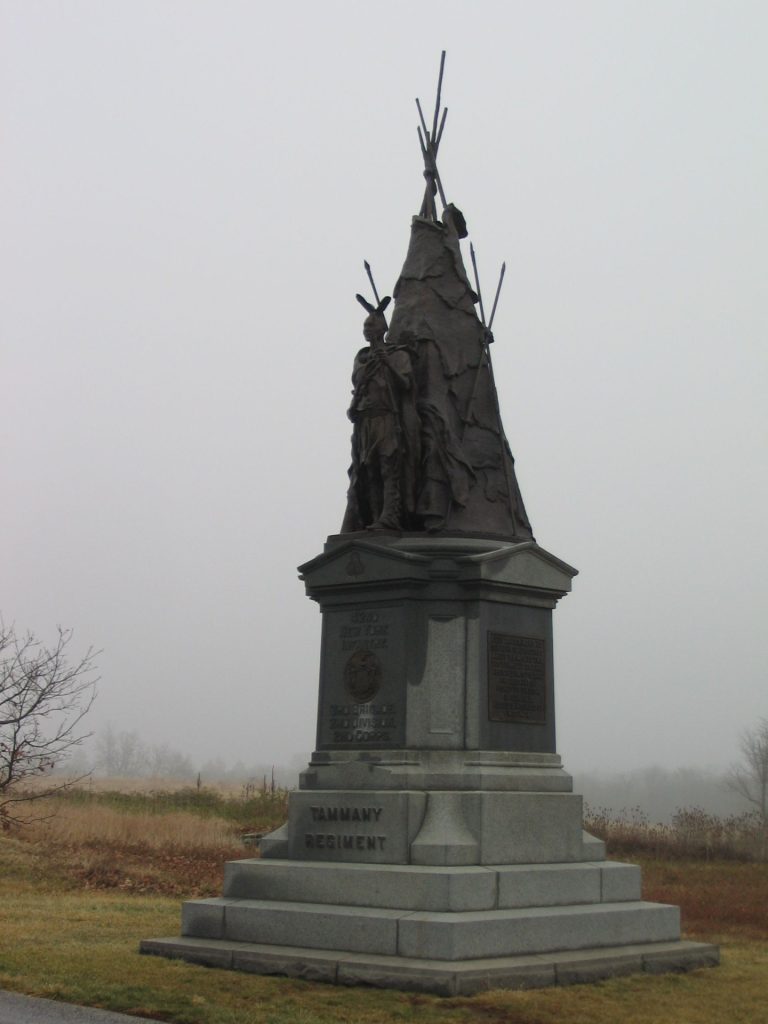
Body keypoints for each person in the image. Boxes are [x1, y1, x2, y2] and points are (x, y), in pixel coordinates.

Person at [340, 298, 419, 532]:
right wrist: (374, 362)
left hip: (387, 417)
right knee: (369, 470)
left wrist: (389, 364)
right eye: (365, 326)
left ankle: (391, 516)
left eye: (371, 326)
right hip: (366, 418)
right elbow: (357, 380)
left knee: (388, 467)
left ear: (383, 329)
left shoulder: (398, 355)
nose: (367, 330)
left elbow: (405, 384)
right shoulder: (362, 358)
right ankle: (375, 518)